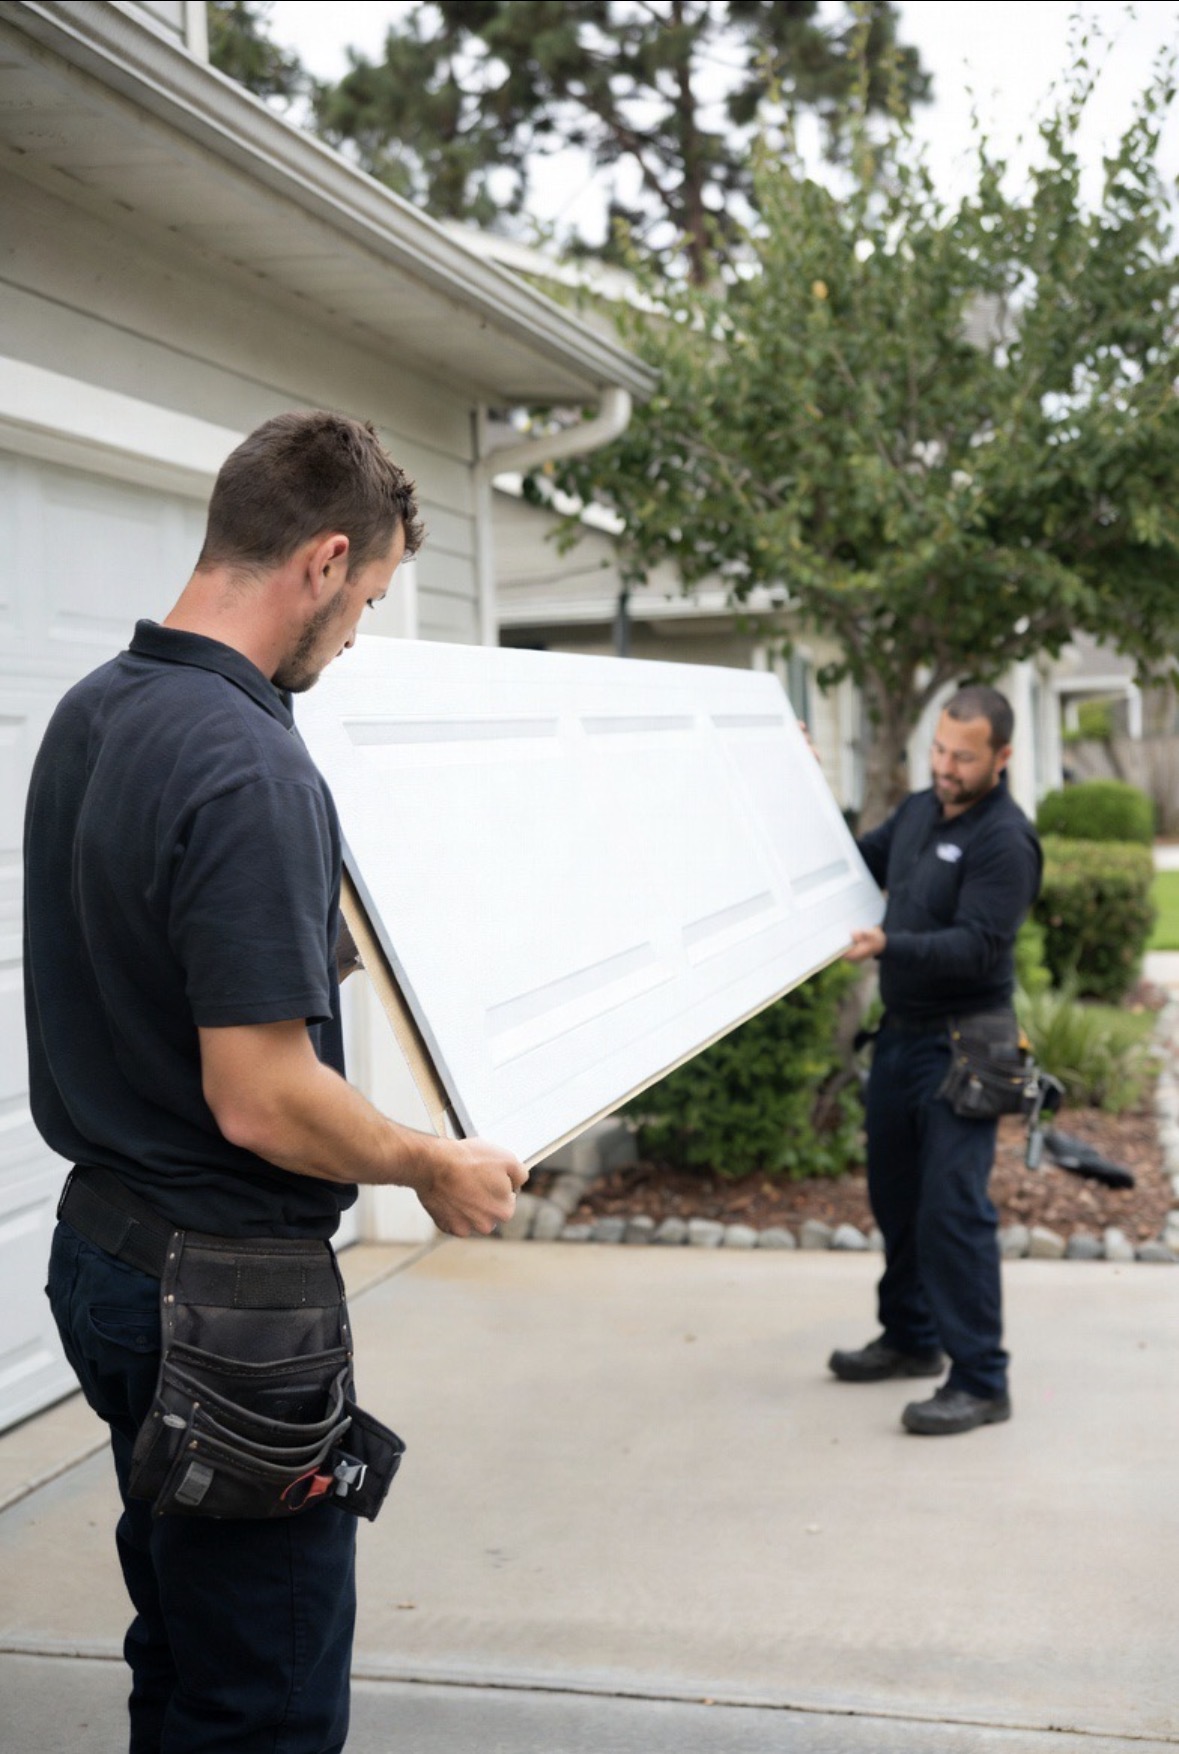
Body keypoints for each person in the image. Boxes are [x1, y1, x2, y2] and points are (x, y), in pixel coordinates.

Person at [24, 410, 528, 1752]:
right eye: (364, 597)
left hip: (107, 1257)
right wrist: (431, 1161)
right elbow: (259, 1095)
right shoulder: (250, 761)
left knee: (182, 1643)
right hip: (226, 1308)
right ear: (318, 559)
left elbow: (143, 955)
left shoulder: (94, 713)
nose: (357, 630)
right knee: (264, 1702)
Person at [831, 684, 1042, 1436]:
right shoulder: (920, 812)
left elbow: (979, 946)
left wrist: (888, 944)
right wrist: (793, 772)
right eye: (938, 749)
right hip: (900, 1037)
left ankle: (982, 1381)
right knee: (894, 1195)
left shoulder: (1004, 840)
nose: (945, 766)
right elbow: (853, 861)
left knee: (952, 1209)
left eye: (963, 756)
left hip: (966, 1042)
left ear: (1001, 757)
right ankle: (911, 1337)